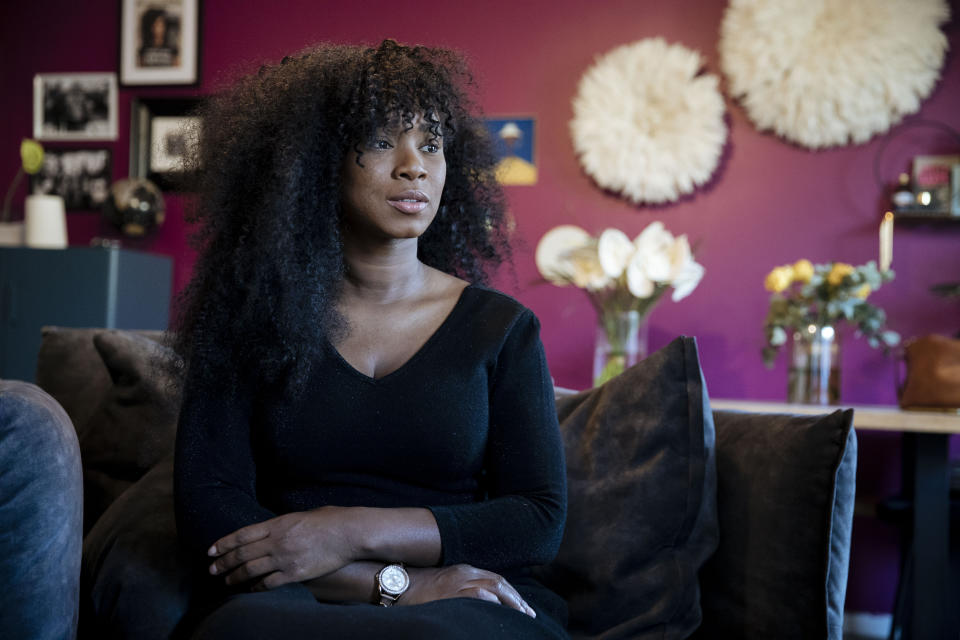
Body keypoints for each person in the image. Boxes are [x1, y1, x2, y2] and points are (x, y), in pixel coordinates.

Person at [171, 39, 569, 639]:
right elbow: (208, 509)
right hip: (297, 597)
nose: (414, 166)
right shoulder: (248, 319)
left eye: (431, 146)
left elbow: (536, 517)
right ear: (316, 161)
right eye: (383, 142)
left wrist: (345, 531)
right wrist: (396, 586)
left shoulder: (501, 328)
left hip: (464, 598)